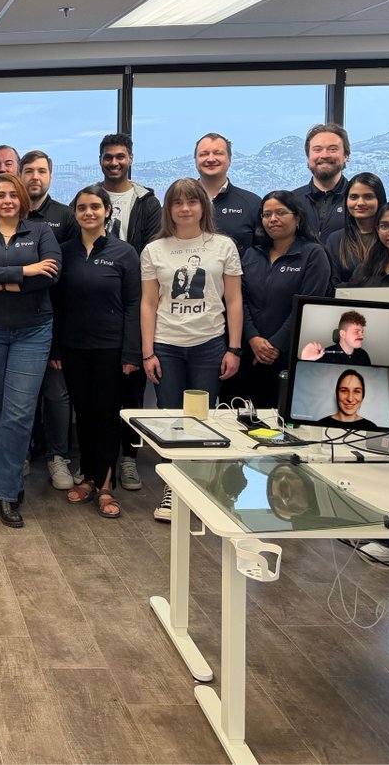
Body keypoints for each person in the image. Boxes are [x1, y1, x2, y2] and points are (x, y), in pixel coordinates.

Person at [140, 177, 243, 521]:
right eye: (177, 203)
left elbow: (234, 299)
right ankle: (174, 489)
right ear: (169, 209)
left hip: (210, 344)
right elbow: (149, 304)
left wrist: (234, 348)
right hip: (166, 345)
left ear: (203, 206)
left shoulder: (223, 246)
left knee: (202, 418)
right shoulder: (154, 250)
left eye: (192, 202)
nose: (185, 209)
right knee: (171, 417)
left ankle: (197, 486)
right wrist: (147, 352)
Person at [0, 173, 61, 527]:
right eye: (0, 195)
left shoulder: (41, 232)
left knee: (19, 412)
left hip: (32, 331)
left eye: (12, 195)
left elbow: (50, 275)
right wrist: (25, 271)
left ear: (22, 200)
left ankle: (2, 489)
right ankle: (8, 476)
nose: (7, 200)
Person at [53, 183, 141, 519]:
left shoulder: (124, 253)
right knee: (84, 415)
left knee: (106, 415)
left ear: (107, 211)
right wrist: (56, 347)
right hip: (74, 348)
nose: (88, 213)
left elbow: (134, 304)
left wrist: (132, 353)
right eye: (82, 208)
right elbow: (57, 305)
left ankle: (106, 485)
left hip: (112, 349)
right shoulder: (64, 252)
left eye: (95, 207)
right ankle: (88, 477)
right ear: (75, 214)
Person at [98, 132, 162, 493]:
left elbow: (151, 251)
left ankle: (128, 458)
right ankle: (101, 462)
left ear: (131, 159)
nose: (114, 162)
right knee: (102, 392)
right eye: (108, 157)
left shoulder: (147, 202)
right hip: (100, 304)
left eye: (120, 156)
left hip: (135, 299)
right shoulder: (91, 197)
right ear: (100, 161)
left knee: (131, 387)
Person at [239, 191, 332, 409]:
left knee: (282, 426)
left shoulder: (313, 254)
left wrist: (273, 346)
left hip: (288, 356)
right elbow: (239, 300)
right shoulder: (252, 254)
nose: (273, 219)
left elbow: (308, 305)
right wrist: (253, 338)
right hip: (249, 353)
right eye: (267, 214)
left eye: (281, 213)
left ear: (298, 218)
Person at [19, 149, 77, 489]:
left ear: (50, 176)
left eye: (41, 171)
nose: (35, 177)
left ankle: (58, 456)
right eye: (29, 170)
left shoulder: (64, 216)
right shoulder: (12, 213)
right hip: (17, 319)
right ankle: (21, 451)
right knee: (21, 396)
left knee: (56, 395)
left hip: (54, 319)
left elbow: (65, 275)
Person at [194, 132, 262, 253]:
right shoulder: (177, 204)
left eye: (218, 153)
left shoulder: (252, 204)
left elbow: (263, 253)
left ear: (229, 159)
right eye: (204, 154)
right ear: (195, 160)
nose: (210, 159)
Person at [324, 171, 385, 286]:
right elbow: (331, 284)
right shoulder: (335, 240)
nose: (360, 203)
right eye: (354, 197)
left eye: (368, 197)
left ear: (379, 200)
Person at [293, 123, 351, 242]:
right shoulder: (292, 201)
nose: (324, 155)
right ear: (308, 158)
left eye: (333, 149)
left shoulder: (358, 201)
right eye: (317, 150)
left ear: (346, 156)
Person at [299, 310, 371, 365]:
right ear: (343, 334)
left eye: (362, 332)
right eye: (356, 331)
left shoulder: (363, 355)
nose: (362, 335)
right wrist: (304, 362)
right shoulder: (323, 356)